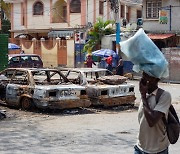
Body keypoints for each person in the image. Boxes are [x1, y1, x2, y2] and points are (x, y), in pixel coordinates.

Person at [134, 72, 171, 154]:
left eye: (147, 76)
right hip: (140, 148)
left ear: (156, 79)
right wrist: (144, 95)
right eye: (143, 75)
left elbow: (152, 121)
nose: (143, 79)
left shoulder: (164, 96)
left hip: (158, 150)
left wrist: (143, 96)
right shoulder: (145, 95)